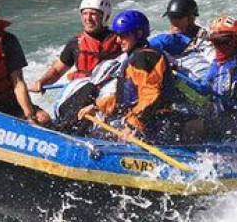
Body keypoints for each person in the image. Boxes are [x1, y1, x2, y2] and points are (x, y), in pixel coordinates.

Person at [78, 9, 196, 143]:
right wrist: (97, 107)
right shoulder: (135, 57)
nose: (118, 40)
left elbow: (151, 97)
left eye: (123, 36)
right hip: (143, 121)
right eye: (117, 35)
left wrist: (133, 125)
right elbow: (125, 98)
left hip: (157, 125)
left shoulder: (144, 58)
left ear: (138, 34)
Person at [30, 0, 121, 93]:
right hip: (83, 90)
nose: (88, 18)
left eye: (93, 14)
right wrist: (42, 82)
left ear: (105, 16)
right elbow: (57, 71)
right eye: (85, 13)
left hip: (110, 90)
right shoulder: (75, 43)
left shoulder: (120, 40)